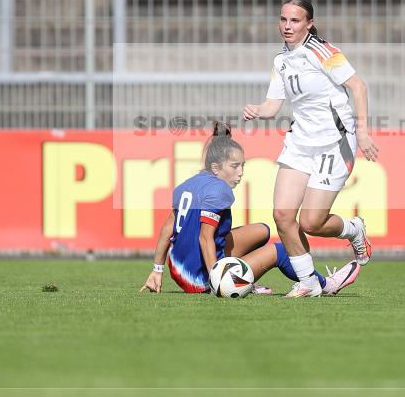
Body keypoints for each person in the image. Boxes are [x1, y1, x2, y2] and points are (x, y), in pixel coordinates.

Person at [243, 0, 379, 298]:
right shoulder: (281, 60)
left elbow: (358, 86)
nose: (287, 26)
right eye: (283, 19)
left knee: (311, 222)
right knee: (282, 215)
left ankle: (354, 229)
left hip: (335, 143)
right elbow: (273, 104)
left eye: (295, 21)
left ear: (309, 24)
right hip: (300, 143)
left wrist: (364, 133)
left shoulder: (323, 51)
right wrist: (257, 109)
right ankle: (308, 282)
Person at [139, 122, 360, 296]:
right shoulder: (219, 191)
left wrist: (157, 270)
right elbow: (205, 239)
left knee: (262, 230)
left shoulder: (187, 185)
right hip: (200, 277)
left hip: (179, 269)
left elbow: (167, 229)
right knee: (281, 251)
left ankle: (243, 278)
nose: (240, 172)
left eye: (242, 165)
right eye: (235, 166)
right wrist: (218, 282)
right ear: (216, 168)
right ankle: (326, 285)